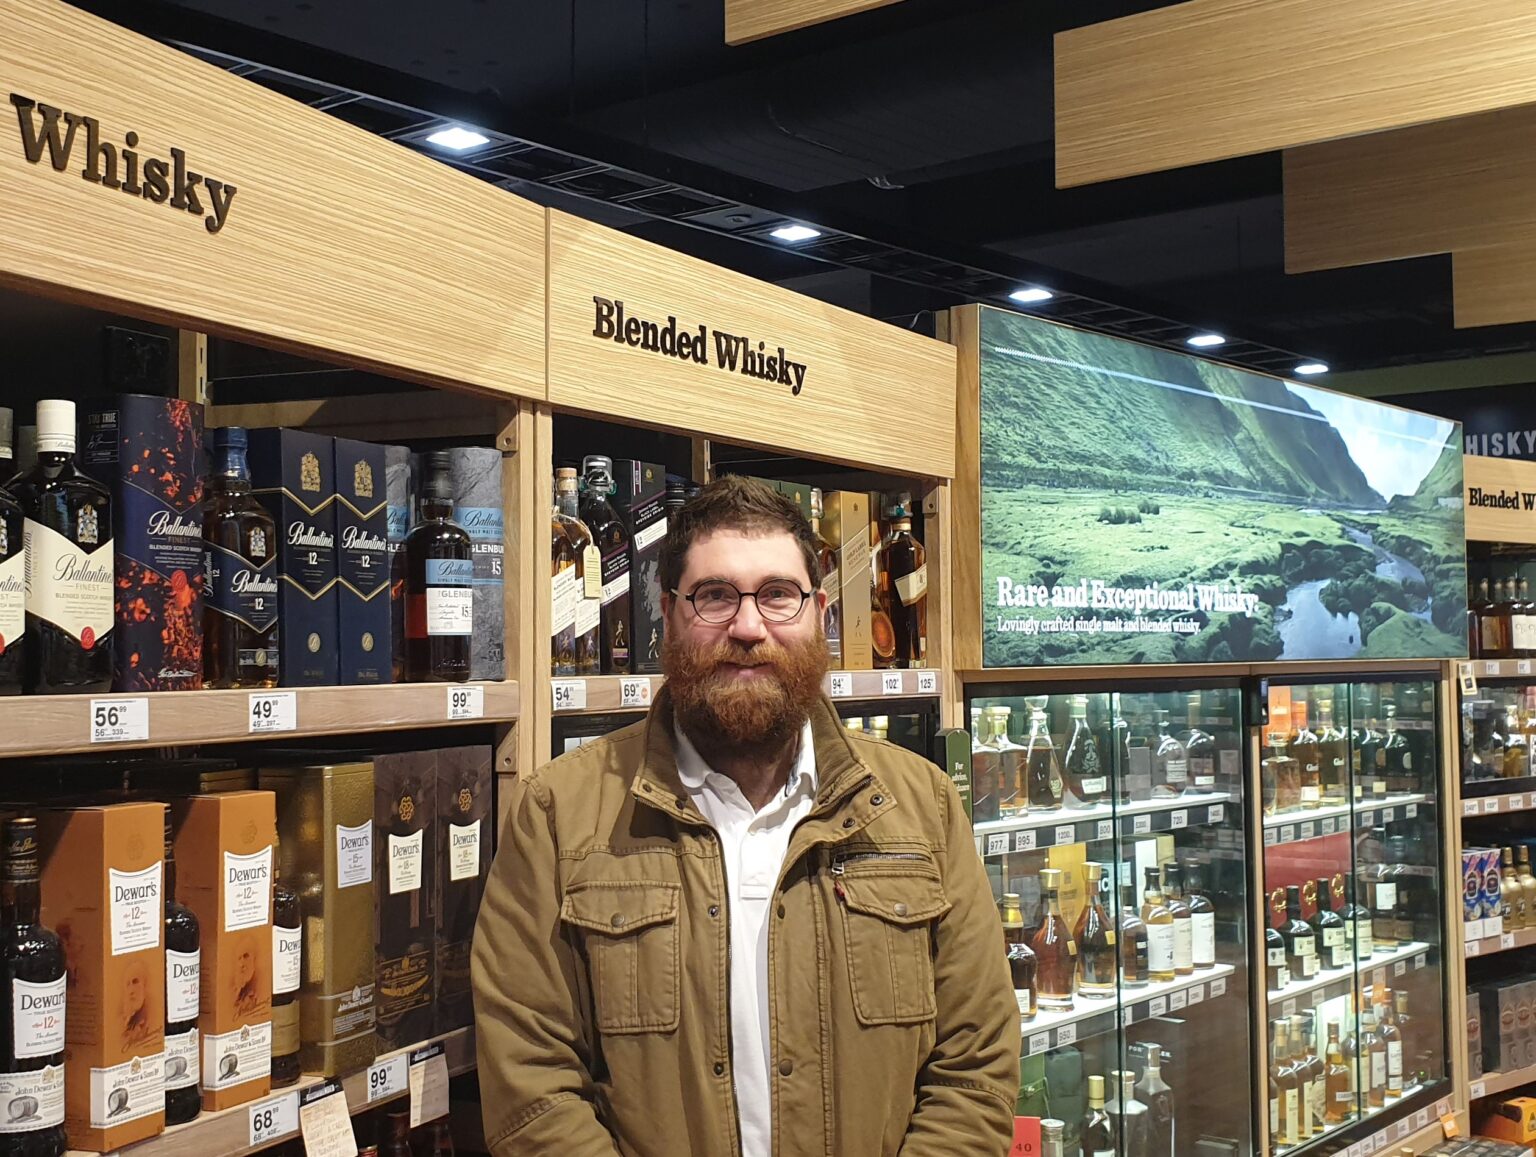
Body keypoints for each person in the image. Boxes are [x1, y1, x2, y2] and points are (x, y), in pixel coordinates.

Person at [472, 475, 1019, 1156]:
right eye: (715, 595)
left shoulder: (922, 805)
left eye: (778, 594)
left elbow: (976, 1068)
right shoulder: (559, 814)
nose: (749, 627)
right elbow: (532, 1086)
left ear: (820, 612)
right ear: (668, 615)